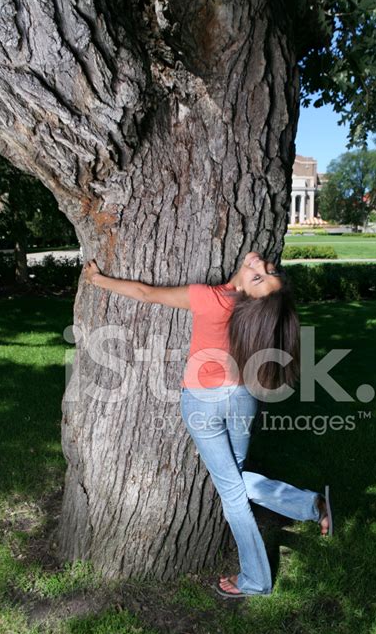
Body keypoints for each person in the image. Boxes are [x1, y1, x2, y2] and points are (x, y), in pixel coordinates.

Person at [83, 251, 333, 599]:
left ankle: (256, 579)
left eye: (260, 276)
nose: (259, 265)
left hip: (203, 402)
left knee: (231, 492)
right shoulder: (254, 319)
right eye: (269, 270)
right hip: (243, 398)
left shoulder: (210, 299)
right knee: (236, 478)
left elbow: (145, 293)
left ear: (248, 295)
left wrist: (98, 280)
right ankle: (311, 506)